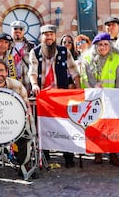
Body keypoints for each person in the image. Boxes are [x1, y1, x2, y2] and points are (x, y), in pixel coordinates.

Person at [29, 24, 80, 168]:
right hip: (44, 96)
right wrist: (34, 84)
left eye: (51, 34)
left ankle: (68, 155)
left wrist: (78, 87)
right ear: (41, 36)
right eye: (46, 34)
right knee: (43, 126)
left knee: (66, 125)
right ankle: (44, 154)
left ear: (55, 36)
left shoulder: (64, 51)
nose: (49, 37)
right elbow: (32, 71)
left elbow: (74, 71)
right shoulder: (35, 52)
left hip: (61, 95)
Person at [81, 32, 119, 166]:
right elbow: (84, 78)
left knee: (112, 126)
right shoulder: (87, 58)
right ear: (95, 46)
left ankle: (113, 154)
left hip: (112, 97)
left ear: (110, 45)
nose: (103, 47)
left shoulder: (117, 58)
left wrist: (118, 96)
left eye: (106, 44)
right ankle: (97, 152)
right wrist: (93, 87)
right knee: (96, 125)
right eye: (100, 45)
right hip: (95, 97)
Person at [9, 20, 36, 92]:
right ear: (11, 30)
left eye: (20, 29)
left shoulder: (31, 46)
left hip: (26, 82)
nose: (18, 31)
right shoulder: (6, 45)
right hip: (10, 81)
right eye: (15, 29)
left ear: (24, 31)